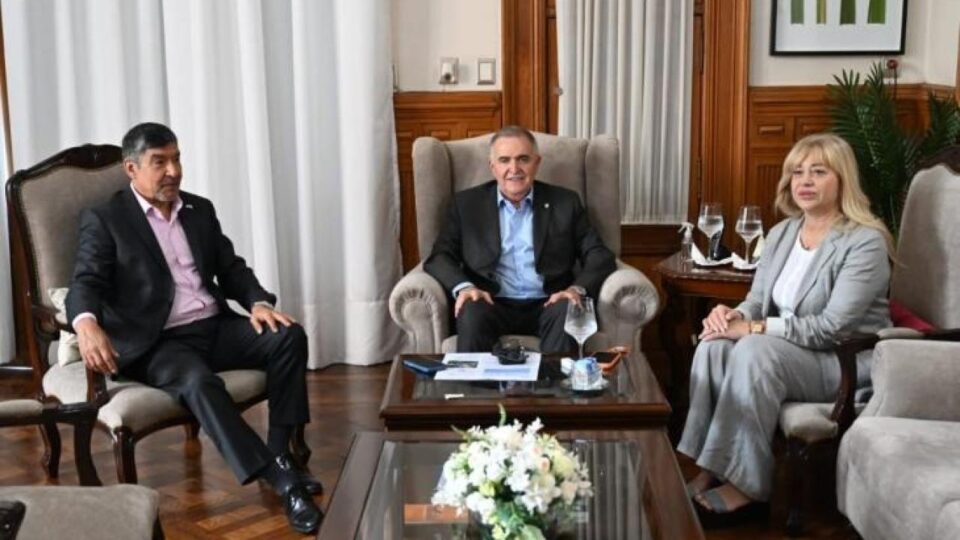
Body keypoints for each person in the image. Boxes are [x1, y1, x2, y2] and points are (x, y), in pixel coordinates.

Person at [66, 123, 322, 534]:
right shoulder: (107, 219)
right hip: (158, 342)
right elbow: (85, 282)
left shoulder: (198, 209)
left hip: (213, 326)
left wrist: (258, 303)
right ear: (131, 169)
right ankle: (282, 481)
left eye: (177, 159)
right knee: (199, 383)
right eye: (159, 162)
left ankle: (280, 452)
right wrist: (86, 324)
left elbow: (231, 268)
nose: (173, 171)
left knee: (288, 336)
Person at [678, 133, 893, 523]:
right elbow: (757, 300)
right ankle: (710, 467)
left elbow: (832, 328)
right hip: (790, 351)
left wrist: (755, 329)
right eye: (797, 172)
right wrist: (731, 315)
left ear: (842, 179)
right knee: (713, 343)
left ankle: (749, 488)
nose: (805, 181)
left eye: (819, 172)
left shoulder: (865, 242)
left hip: (839, 360)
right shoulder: (782, 234)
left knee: (754, 350)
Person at [423, 125, 616, 353]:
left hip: (550, 302)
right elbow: (440, 257)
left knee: (568, 309)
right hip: (491, 301)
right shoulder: (466, 205)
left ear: (537, 163)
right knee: (471, 308)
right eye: (504, 160)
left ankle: (555, 377)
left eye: (523, 159)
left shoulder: (565, 202)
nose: (514, 169)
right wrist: (465, 287)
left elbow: (599, 254)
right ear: (493, 166)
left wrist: (576, 289)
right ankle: (474, 378)